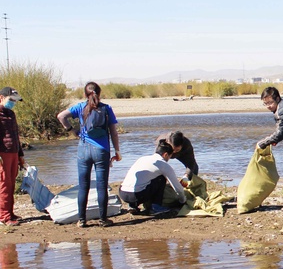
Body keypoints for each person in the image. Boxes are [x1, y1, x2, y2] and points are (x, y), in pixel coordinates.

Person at [57, 82, 121, 228]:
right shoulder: (106, 108)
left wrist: (72, 131)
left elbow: (61, 116)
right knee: (101, 186)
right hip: (102, 150)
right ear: (100, 92)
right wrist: (117, 151)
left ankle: (82, 220)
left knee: (83, 186)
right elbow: (113, 132)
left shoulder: (80, 107)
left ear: (85, 94)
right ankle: (103, 220)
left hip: (83, 149)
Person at [119, 139, 187, 215]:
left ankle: (132, 206)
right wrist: (183, 201)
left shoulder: (142, 159)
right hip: (137, 195)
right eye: (169, 157)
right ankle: (156, 207)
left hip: (123, 194)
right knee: (161, 178)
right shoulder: (163, 164)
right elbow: (177, 187)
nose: (168, 160)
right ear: (165, 155)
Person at [0, 87, 26, 226]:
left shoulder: (11, 114)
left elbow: (16, 136)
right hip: (2, 154)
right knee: (4, 184)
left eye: (15, 101)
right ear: (1, 98)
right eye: (11, 100)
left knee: (11, 184)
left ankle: (10, 212)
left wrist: (20, 155)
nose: (13, 103)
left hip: (13, 152)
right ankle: (4, 216)